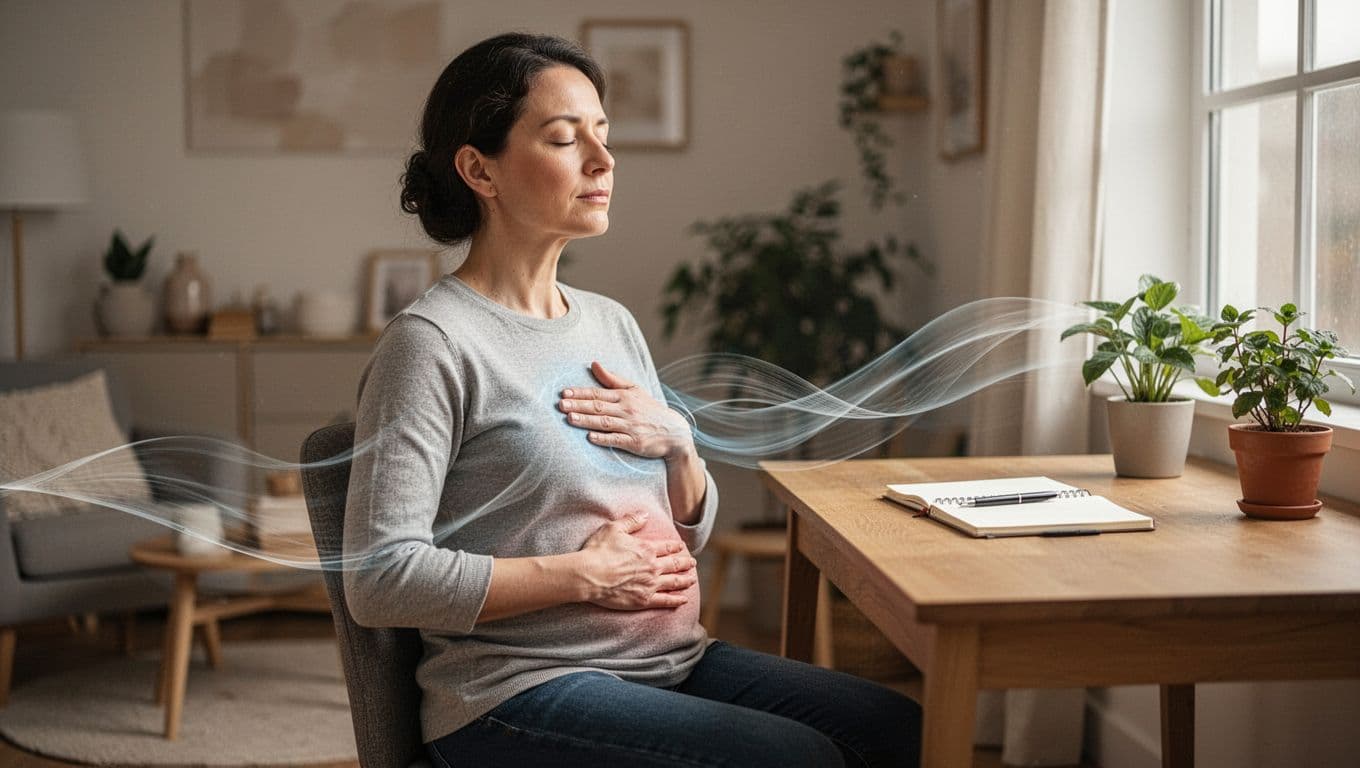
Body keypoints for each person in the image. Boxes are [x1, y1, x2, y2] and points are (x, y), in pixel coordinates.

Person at [343, 32, 922, 768]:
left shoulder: (608, 322)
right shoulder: (432, 343)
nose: (603, 160)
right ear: (478, 169)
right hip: (517, 692)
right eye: (563, 138)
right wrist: (583, 574)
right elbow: (380, 578)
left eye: (603, 133)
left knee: (895, 726)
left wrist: (680, 445)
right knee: (791, 756)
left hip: (670, 663)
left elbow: (685, 534)